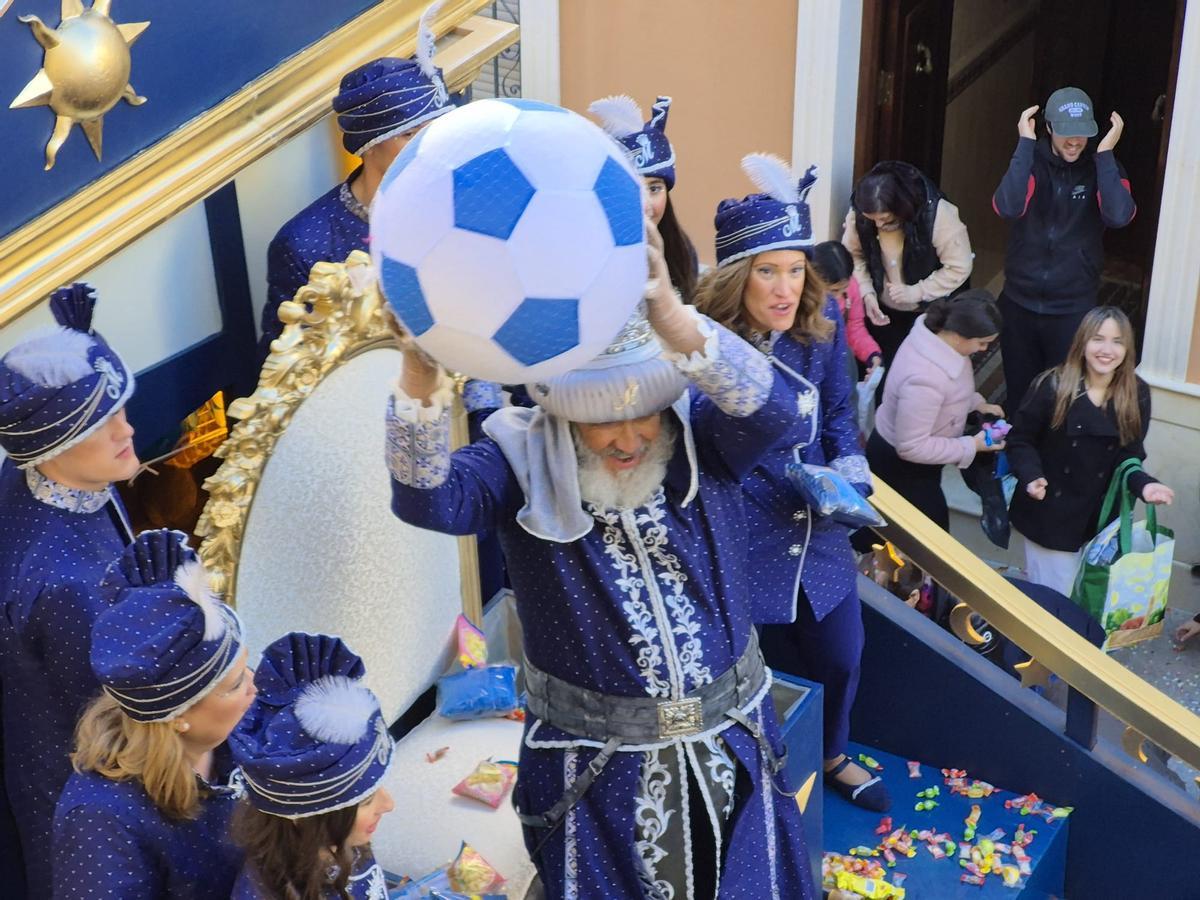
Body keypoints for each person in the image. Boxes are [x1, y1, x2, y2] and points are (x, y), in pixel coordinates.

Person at [383, 233, 814, 898]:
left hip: (735, 748)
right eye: (603, 422)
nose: (631, 439)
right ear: (560, 412)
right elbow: (427, 500)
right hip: (600, 776)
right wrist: (418, 376)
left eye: (646, 415)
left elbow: (779, 414)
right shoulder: (515, 460)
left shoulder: (701, 434)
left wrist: (675, 318)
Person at [695, 154, 889, 812]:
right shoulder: (705, 347)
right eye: (767, 271)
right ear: (736, 277)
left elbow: (838, 415)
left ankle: (832, 754)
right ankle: (765, 780)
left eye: (794, 269)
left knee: (842, 655)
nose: (784, 288)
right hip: (742, 537)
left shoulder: (822, 334)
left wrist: (849, 474)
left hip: (819, 533)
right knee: (759, 678)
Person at [0, 283, 137, 898]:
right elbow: (121, 733)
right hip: (85, 803)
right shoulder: (66, 587)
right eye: (101, 422)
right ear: (50, 447)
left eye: (121, 409)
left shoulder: (32, 476)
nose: (126, 431)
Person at [52, 529, 253, 899]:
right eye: (236, 684)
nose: (255, 689)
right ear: (179, 716)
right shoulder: (101, 821)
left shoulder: (236, 741)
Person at [259, 1, 454, 360]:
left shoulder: (463, 209)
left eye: (438, 131)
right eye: (410, 135)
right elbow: (285, 364)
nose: (429, 147)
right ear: (369, 145)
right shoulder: (305, 243)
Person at [1005, 307, 1173, 596]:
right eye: (1098, 339)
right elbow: (1020, 440)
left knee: (1089, 605)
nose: (1107, 350)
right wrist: (1031, 475)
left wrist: (1145, 486)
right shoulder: (1053, 385)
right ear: (1082, 343)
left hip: (1101, 523)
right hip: (1050, 514)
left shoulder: (1137, 392)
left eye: (1117, 341)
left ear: (1128, 348)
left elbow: (1129, 456)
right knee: (1054, 604)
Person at [992, 87, 1136, 409]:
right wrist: (1024, 145)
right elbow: (1008, 207)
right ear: (1048, 129)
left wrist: (1105, 155)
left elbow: (1118, 216)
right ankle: (1017, 458)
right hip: (1018, 303)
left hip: (1073, 308)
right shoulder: (1030, 161)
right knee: (1021, 398)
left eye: (1082, 134)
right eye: (1066, 133)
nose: (1074, 142)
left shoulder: (1101, 167)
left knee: (1064, 401)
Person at [229, 632, 395, 899]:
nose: (389, 805)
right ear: (308, 817)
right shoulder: (266, 892)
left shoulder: (344, 842)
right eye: (366, 801)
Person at [866, 290, 1005, 530]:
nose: (983, 349)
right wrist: (972, 446)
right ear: (960, 335)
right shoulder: (924, 379)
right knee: (924, 542)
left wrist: (976, 404)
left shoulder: (938, 342)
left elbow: (951, 392)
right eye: (982, 343)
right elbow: (911, 447)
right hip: (901, 469)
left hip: (920, 465)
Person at [842, 160, 973, 370]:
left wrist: (917, 292)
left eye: (885, 219)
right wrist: (867, 293)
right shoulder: (860, 214)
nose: (877, 225)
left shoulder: (938, 214)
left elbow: (959, 267)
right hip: (884, 312)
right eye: (871, 219)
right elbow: (852, 255)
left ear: (901, 208)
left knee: (923, 376)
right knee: (884, 375)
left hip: (930, 312)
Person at [589, 94, 699, 300]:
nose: (644, 204)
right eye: (632, 189)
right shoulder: (589, 252)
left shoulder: (682, 252)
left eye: (654, 188)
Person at [809, 240, 882, 375]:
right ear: (814, 281)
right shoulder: (800, 297)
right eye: (833, 291)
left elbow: (854, 327)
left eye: (842, 290)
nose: (837, 297)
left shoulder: (851, 288)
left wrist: (872, 354)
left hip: (836, 360)